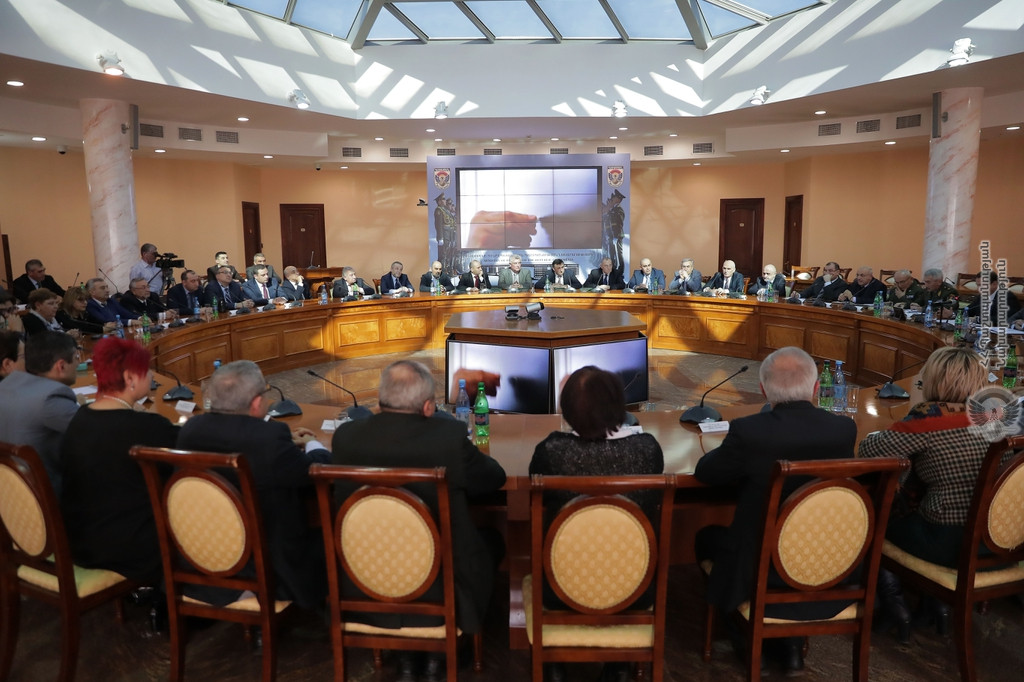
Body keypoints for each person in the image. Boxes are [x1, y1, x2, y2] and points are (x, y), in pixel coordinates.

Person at [694, 346, 856, 673]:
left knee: (706, 538)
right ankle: (792, 646)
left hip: (760, 568)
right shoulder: (844, 429)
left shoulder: (750, 431)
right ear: (815, 388)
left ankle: (746, 639)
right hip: (827, 562)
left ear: (763, 390)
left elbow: (707, 473)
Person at [331, 360, 506, 645]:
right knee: (492, 540)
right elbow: (494, 478)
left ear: (379, 401)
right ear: (427, 407)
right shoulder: (449, 439)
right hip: (442, 590)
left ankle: (406, 656)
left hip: (364, 583)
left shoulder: (345, 438)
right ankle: (454, 646)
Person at [529, 365, 663, 682]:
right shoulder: (648, 450)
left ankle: (554, 665)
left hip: (559, 589)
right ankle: (619, 666)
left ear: (566, 410)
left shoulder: (551, 451)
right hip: (636, 589)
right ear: (618, 405)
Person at [859, 346, 996, 642]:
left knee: (874, 518)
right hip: (997, 541)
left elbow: (869, 451)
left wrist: (911, 413)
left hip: (949, 542)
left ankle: (894, 605)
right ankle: (934, 604)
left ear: (934, 381)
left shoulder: (929, 419)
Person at [176, 360, 331, 610]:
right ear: (257, 403)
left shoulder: (190, 430)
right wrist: (314, 444)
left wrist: (286, 448)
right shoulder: (269, 438)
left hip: (202, 559)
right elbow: (313, 472)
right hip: (266, 569)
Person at [59, 337, 178, 586]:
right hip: (131, 549)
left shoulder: (80, 417)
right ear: (130, 378)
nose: (152, 378)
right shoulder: (149, 427)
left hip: (79, 542)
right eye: (147, 372)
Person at [0, 331, 80, 494]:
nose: (78, 363)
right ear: (61, 366)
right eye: (76, 358)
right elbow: (97, 432)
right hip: (48, 496)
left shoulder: (6, 387)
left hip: (11, 495)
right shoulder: (50, 397)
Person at [602, 189, 626, 272]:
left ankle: (620, 271)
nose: (612, 199)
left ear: (618, 199)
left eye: (614, 198)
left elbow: (619, 224)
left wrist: (616, 236)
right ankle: (614, 269)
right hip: (610, 236)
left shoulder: (619, 210)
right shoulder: (612, 210)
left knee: (619, 254)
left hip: (617, 236)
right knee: (612, 254)